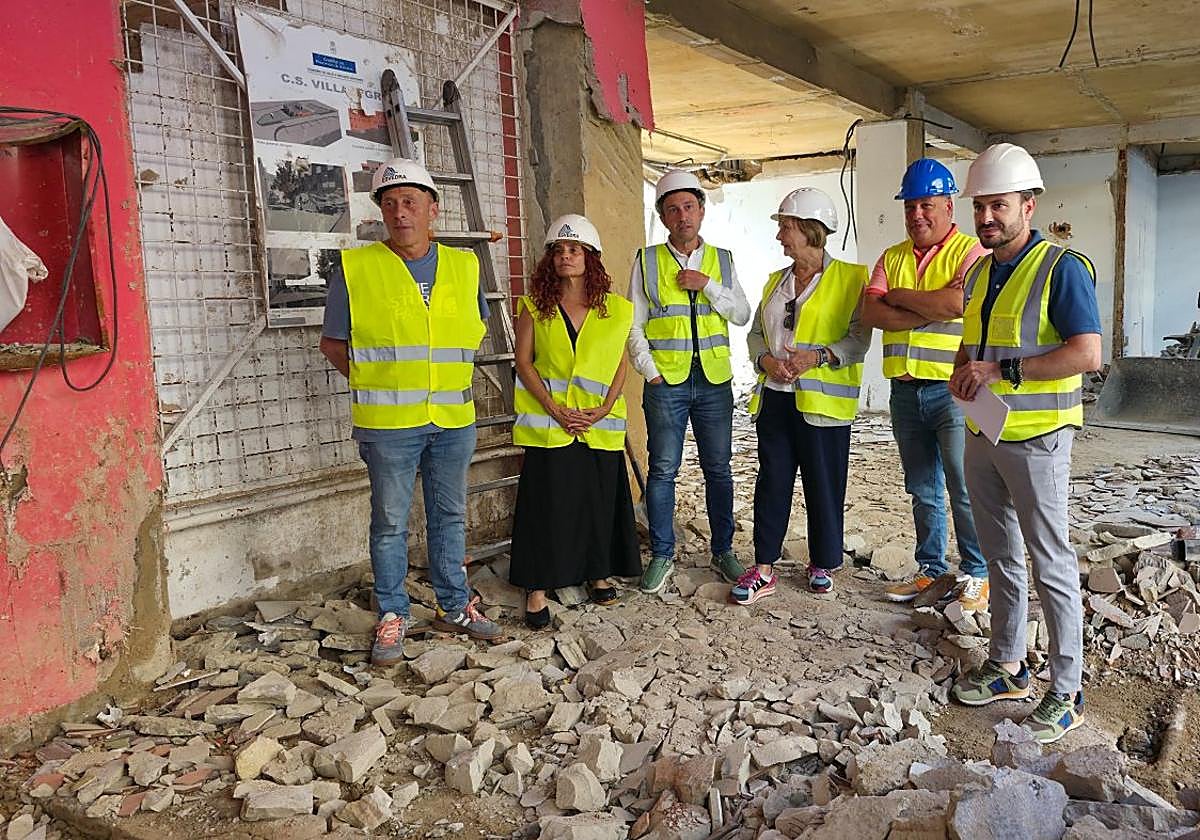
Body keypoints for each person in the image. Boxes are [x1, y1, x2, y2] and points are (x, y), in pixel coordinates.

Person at [947, 143, 1102, 744]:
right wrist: (964, 369)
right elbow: (974, 341)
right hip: (984, 429)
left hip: (1038, 437)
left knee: (1050, 560)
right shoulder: (980, 271)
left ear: (1028, 206)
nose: (986, 218)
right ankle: (1009, 666)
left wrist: (1002, 373)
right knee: (999, 555)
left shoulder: (1061, 268)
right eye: (980, 206)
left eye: (998, 206)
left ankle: (1067, 690)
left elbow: (1087, 354)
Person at [319, 158, 501, 667]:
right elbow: (333, 344)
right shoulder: (356, 268)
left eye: (412, 202)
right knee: (390, 522)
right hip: (388, 427)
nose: (401, 213)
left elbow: (473, 331)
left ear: (432, 210)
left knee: (449, 515)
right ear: (381, 212)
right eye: (391, 203)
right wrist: (378, 382)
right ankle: (393, 612)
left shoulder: (465, 268)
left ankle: (454, 605)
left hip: (451, 421)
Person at [861, 158, 991, 611]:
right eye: (911, 205)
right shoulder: (892, 256)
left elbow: (958, 301)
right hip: (904, 392)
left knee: (963, 483)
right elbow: (871, 313)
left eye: (927, 204)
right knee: (922, 487)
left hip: (953, 392)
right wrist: (928, 307)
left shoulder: (970, 252)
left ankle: (977, 572)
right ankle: (931, 571)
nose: (918, 214)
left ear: (949, 205)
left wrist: (898, 296)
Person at [736, 188, 870, 602]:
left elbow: (858, 340)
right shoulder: (776, 282)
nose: (780, 236)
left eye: (786, 227)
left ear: (811, 230)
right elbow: (756, 332)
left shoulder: (852, 278)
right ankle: (763, 567)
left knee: (824, 485)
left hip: (823, 405)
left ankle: (823, 563)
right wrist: (764, 361)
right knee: (772, 481)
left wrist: (821, 357)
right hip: (776, 397)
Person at [509, 215, 641, 628]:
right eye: (558, 250)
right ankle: (537, 588)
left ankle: (596, 572)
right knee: (546, 505)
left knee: (597, 501)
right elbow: (524, 363)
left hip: (597, 424)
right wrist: (552, 407)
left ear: (590, 258)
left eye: (574, 249)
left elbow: (621, 363)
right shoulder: (535, 306)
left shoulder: (617, 310)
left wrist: (604, 408)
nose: (566, 256)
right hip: (551, 425)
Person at [629, 170, 752, 594]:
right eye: (672, 209)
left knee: (719, 469)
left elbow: (740, 314)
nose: (682, 216)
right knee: (663, 470)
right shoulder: (646, 261)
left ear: (701, 210)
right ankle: (663, 555)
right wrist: (650, 371)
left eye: (689, 207)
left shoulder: (722, 260)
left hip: (714, 380)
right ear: (662, 216)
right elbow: (634, 326)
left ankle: (723, 551)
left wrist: (709, 286)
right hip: (667, 383)